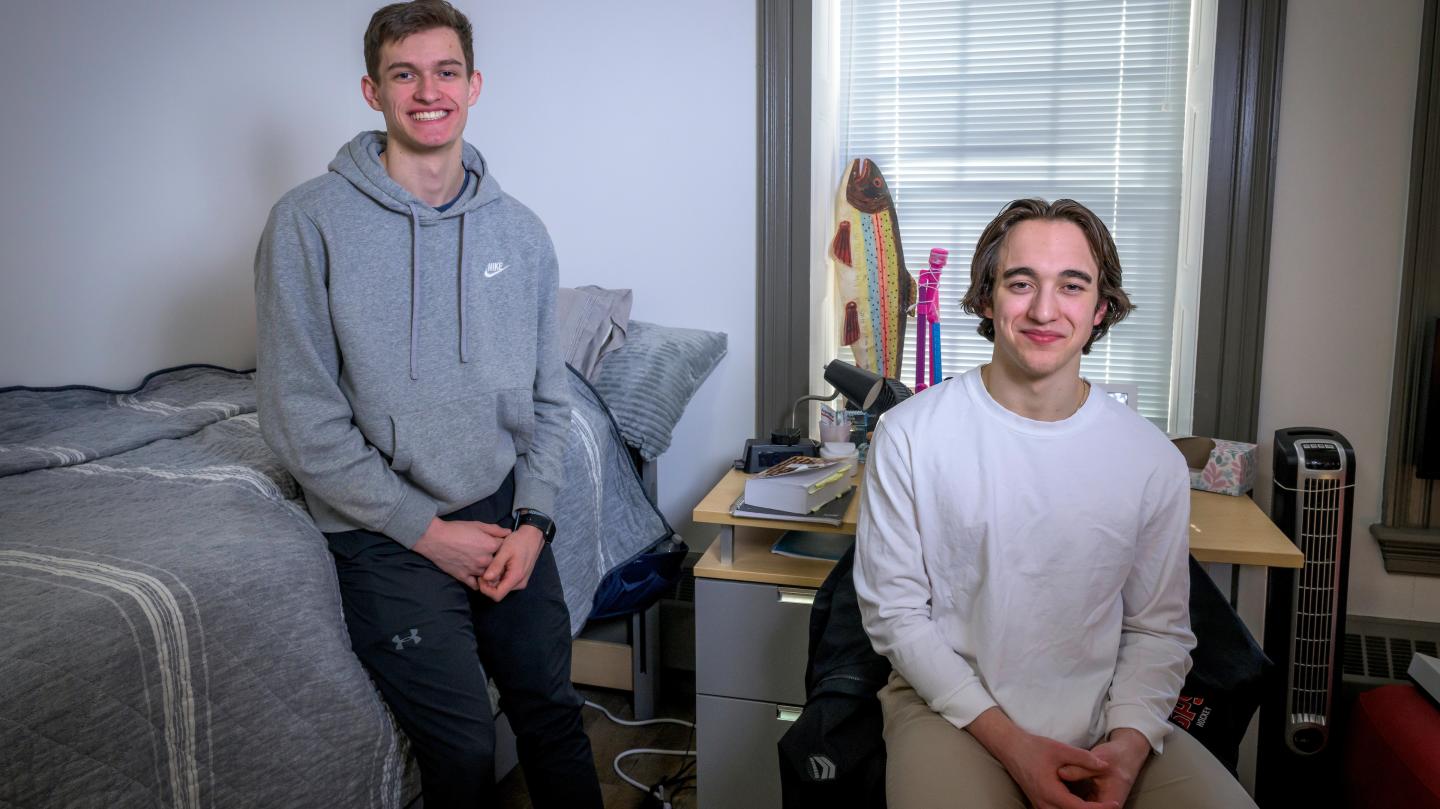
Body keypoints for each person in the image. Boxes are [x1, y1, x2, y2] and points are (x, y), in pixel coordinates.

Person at [252, 2, 602, 806]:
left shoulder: (521, 234)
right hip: (382, 529)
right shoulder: (307, 223)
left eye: (446, 72)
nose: (428, 91)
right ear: (372, 92)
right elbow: (299, 417)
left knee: (551, 712)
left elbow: (552, 398)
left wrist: (536, 521)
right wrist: (427, 532)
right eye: (404, 74)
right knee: (463, 746)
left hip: (506, 511)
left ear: (473, 85)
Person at [853, 198, 1256, 809]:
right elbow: (897, 616)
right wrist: (1015, 745)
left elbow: (1158, 630)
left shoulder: (1151, 460)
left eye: (1072, 286)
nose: (1044, 309)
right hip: (951, 707)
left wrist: (1127, 745)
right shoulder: (910, 436)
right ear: (987, 299)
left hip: (1105, 713)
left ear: (1100, 309)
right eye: (1021, 283)